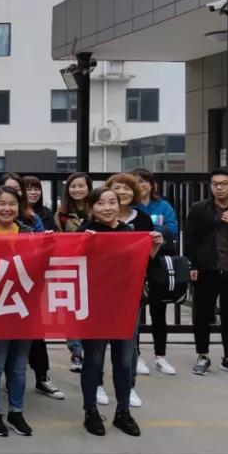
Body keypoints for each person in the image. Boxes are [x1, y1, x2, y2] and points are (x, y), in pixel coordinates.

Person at [80, 186, 163, 437]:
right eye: (100, 203)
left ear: (120, 205)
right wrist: (83, 243)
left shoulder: (130, 233)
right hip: (95, 307)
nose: (107, 208)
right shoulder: (85, 232)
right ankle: (91, 411)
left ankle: (123, 412)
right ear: (91, 207)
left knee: (125, 361)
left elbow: (144, 267)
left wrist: (153, 248)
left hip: (126, 305)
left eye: (112, 202)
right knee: (93, 359)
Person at [0, 173, 63, 401]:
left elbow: (43, 250)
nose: (12, 195)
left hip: (26, 285)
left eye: (17, 190)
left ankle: (41, 377)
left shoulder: (32, 220)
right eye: (7, 189)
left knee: (33, 335)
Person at [0, 186, 35, 438]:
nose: (6, 208)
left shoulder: (30, 234)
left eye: (12, 203)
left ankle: (16, 412)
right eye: (1, 203)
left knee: (19, 366)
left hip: (24, 309)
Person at [105, 172, 154, 400]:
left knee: (128, 342)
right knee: (95, 343)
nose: (122, 192)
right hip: (100, 289)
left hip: (130, 290)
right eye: (117, 188)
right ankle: (97, 385)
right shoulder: (97, 218)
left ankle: (129, 387)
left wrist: (154, 247)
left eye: (127, 188)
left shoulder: (143, 219)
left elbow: (148, 258)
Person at [184, 168, 228, 376]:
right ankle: (202, 355)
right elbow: (190, 238)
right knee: (203, 314)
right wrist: (192, 265)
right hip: (207, 268)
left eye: (224, 183)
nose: (219, 187)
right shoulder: (199, 208)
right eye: (215, 184)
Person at [132, 168, 179, 375]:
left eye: (144, 181)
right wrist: (153, 231)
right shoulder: (129, 207)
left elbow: (171, 230)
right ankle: (136, 355)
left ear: (152, 185)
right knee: (135, 314)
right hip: (135, 264)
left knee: (159, 312)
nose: (141, 184)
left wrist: (145, 230)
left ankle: (160, 356)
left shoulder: (163, 206)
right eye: (136, 181)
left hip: (158, 263)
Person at [57, 172, 92, 372]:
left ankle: (91, 349)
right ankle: (76, 351)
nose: (77, 189)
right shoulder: (61, 215)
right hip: (71, 267)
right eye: (73, 186)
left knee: (91, 310)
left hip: (94, 268)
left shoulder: (98, 209)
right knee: (72, 311)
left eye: (81, 185)